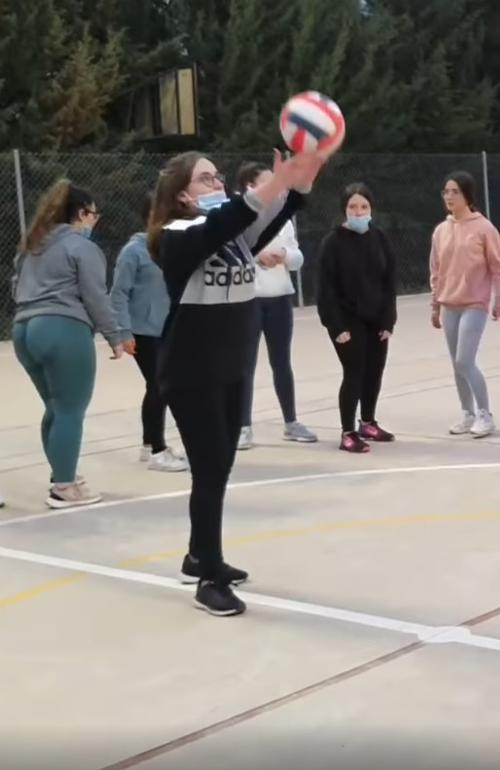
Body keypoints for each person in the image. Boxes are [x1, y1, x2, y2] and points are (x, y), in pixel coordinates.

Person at [149, 149, 324, 616]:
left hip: (229, 368)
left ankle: (199, 554)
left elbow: (275, 215)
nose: (217, 183)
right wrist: (270, 184)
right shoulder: (177, 236)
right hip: (191, 372)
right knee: (209, 470)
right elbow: (227, 221)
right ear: (182, 193)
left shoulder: (233, 239)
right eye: (206, 179)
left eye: (218, 176)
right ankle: (209, 579)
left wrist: (298, 183)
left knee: (220, 466)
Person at [12, 180, 125, 508]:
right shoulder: (81, 247)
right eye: (92, 215)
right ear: (80, 214)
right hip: (63, 327)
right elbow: (95, 296)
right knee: (70, 410)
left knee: (55, 408)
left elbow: (15, 289)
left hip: (24, 329)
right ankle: (64, 486)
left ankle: (62, 473)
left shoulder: (31, 246)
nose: (94, 222)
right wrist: (114, 335)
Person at [235, 163, 318, 448]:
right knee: (245, 364)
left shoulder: (283, 220)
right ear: (250, 186)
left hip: (280, 298)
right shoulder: (239, 217)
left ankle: (291, 421)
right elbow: (231, 252)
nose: (277, 187)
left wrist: (283, 254)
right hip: (249, 299)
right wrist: (256, 255)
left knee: (281, 361)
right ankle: (243, 426)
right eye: (269, 182)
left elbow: (298, 258)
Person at [317, 183, 398, 453]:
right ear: (344, 209)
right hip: (346, 319)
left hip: (375, 317)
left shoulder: (379, 237)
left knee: (374, 371)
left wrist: (388, 321)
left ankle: (368, 422)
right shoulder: (332, 242)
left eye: (363, 207)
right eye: (353, 207)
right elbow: (325, 289)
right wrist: (336, 326)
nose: (358, 211)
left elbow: (389, 281)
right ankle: (348, 432)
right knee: (354, 372)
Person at [109, 192, 187, 473]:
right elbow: (118, 293)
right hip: (143, 331)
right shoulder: (134, 251)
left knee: (160, 386)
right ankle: (157, 450)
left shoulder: (170, 247)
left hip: (169, 328)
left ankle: (148, 444)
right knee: (159, 386)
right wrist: (123, 331)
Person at [430, 171, 500, 438]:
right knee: (456, 363)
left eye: (454, 192)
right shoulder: (441, 231)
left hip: (475, 303)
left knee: (465, 360)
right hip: (449, 304)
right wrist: (435, 304)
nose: (449, 197)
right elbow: (436, 270)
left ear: (467, 196)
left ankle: (485, 414)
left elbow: (498, 268)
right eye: (446, 192)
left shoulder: (484, 228)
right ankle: (467, 412)